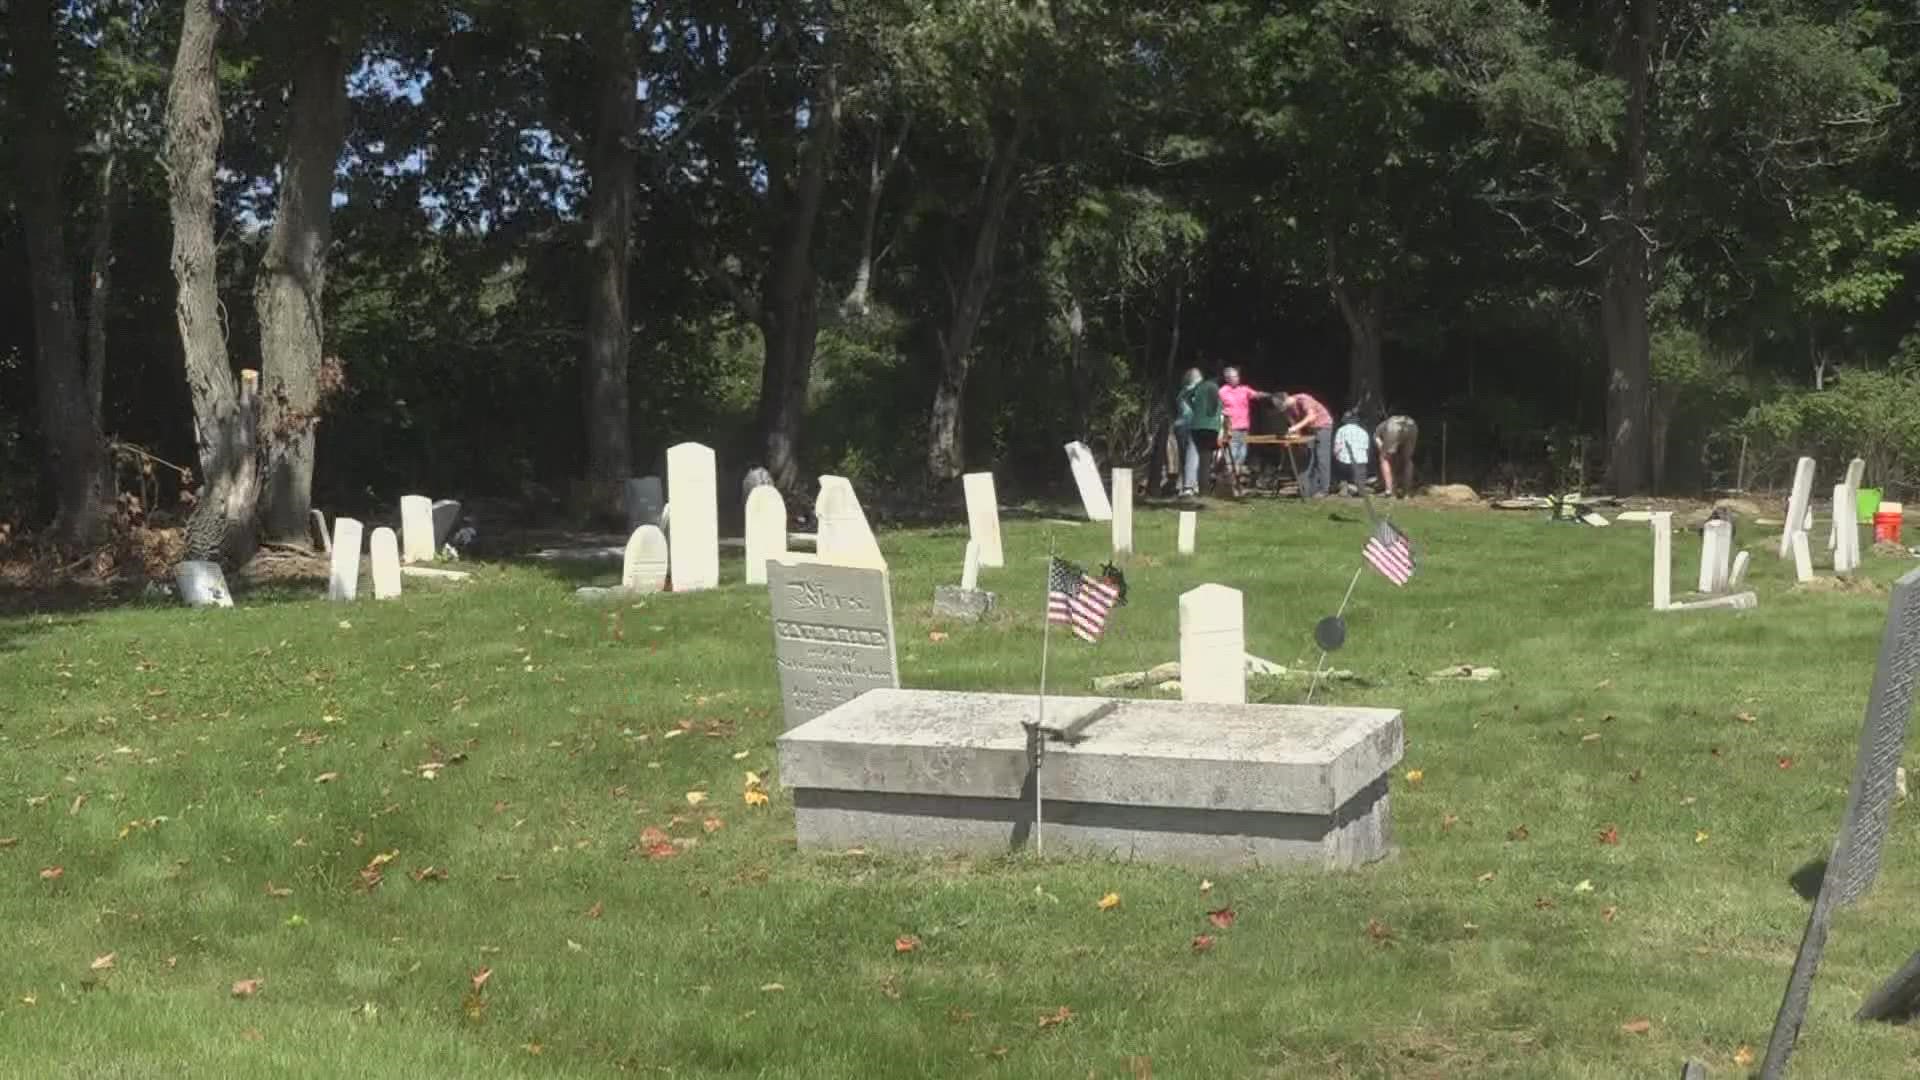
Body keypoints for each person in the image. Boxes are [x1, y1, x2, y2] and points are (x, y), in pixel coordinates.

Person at [1216, 367, 1272, 489]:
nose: (1237, 379)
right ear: (1227, 379)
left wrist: (1269, 395)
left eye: (1237, 376)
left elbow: (1256, 395)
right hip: (1231, 428)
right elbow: (1217, 409)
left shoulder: (1244, 389)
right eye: (1234, 377)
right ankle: (1227, 484)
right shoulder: (1222, 391)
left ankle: (1234, 483)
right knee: (1231, 456)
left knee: (1242, 455)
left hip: (1244, 428)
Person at [1178, 368, 1223, 497]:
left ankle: (1193, 487)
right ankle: (1203, 491)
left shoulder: (1198, 387)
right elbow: (1214, 405)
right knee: (1204, 460)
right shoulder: (1213, 386)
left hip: (1195, 426)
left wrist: (1195, 408)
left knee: (1194, 457)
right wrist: (1213, 413)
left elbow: (1185, 396)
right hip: (1209, 427)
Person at [1281, 390, 1334, 497]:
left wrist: (1296, 428)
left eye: (1283, 405)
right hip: (1309, 429)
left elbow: (1311, 417)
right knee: (1308, 458)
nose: (1283, 408)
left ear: (1287, 398)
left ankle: (1324, 490)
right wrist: (1294, 437)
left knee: (1322, 458)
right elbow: (1293, 424)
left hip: (1322, 426)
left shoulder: (1303, 399)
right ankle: (1309, 490)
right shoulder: (1287, 410)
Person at [1375, 414, 1419, 497]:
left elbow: (1377, 439)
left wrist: (1383, 450)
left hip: (1393, 427)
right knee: (1407, 459)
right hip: (1411, 424)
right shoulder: (1389, 422)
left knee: (1384, 458)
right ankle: (1407, 492)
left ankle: (1389, 491)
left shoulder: (1381, 426)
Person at [1332, 412, 1372, 495]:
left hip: (1345, 459)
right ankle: (1361, 490)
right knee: (1360, 475)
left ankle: (1344, 489)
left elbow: (1337, 447)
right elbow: (1366, 447)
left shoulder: (1341, 430)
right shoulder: (1363, 431)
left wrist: (1335, 456)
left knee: (1342, 474)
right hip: (1360, 459)